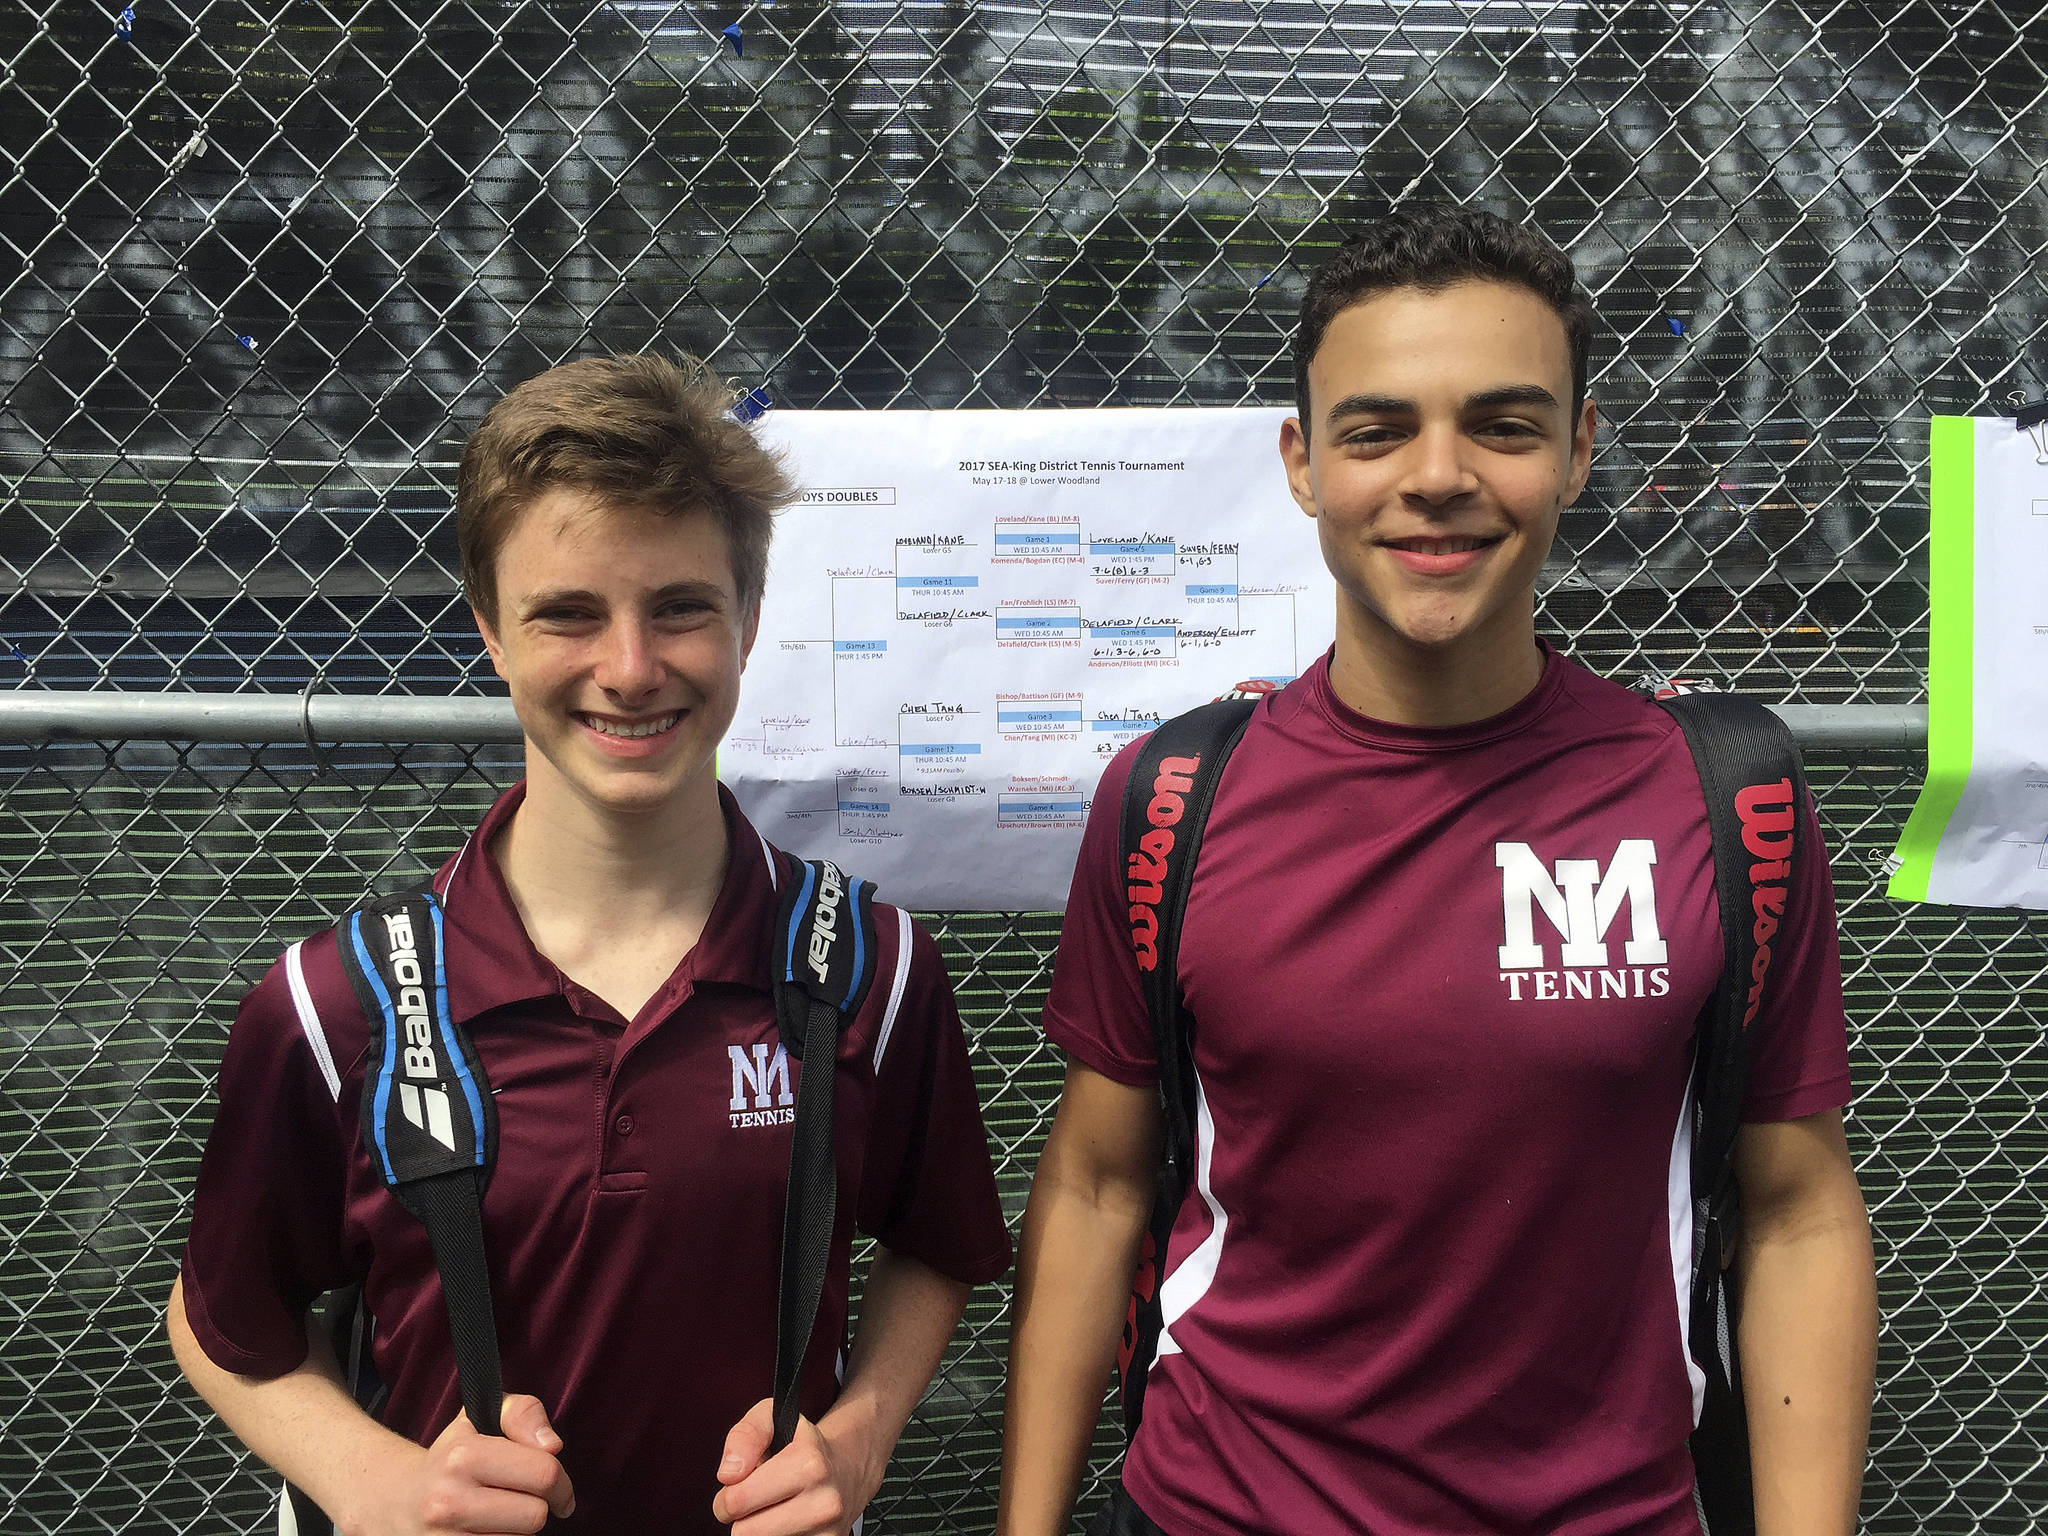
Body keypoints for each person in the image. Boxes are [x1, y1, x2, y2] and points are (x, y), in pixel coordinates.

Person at [998, 207, 1877, 1535]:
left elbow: (1801, 1208)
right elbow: (1099, 1183)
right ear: (1302, 463)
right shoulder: (1175, 798)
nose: (1439, 474)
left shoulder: (1720, 795)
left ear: (1579, 449)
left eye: (1506, 426)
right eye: (1378, 428)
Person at [167, 353, 1012, 1534]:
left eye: (679, 607)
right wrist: (373, 1485)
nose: (629, 668)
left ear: (749, 622)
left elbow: (941, 1247)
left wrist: (858, 1441)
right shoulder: (331, 1004)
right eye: (568, 613)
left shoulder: (870, 967)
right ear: (490, 633)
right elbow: (222, 1321)